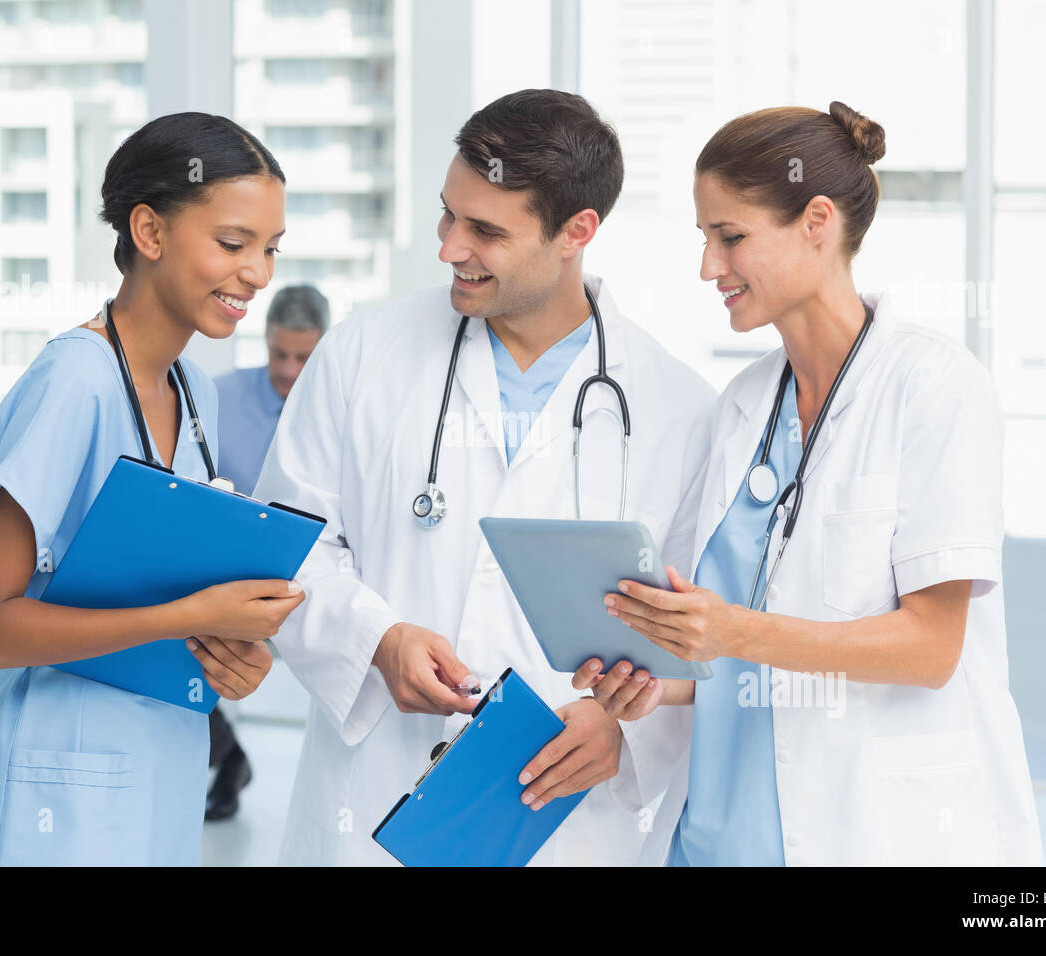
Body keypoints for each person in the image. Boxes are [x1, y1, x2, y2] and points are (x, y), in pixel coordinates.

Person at [253, 89, 718, 866]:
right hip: (370, 803)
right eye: (448, 215)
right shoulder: (362, 355)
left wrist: (623, 730)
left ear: (577, 232)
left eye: (486, 231)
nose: (450, 248)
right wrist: (376, 638)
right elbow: (282, 542)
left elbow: (701, 638)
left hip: (566, 826)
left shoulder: (679, 409)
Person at [576, 102, 1044, 866]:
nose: (708, 267)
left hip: (868, 831)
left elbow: (930, 647)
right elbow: (712, 646)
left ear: (816, 220)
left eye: (730, 238)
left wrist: (730, 632)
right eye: (704, 239)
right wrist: (656, 677)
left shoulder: (933, 386)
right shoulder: (740, 407)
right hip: (713, 838)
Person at [0, 112, 304, 866]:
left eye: (269, 249)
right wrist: (186, 615)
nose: (259, 274)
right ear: (150, 230)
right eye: (233, 244)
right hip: (54, 786)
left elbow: (169, 604)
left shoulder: (192, 387)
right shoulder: (75, 380)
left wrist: (231, 656)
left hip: (159, 776)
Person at [205, 284, 329, 820]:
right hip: (226, 573)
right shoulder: (217, 398)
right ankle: (225, 755)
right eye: (279, 353)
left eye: (303, 357)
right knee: (170, 637)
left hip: (318, 573)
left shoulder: (342, 409)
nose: (287, 368)